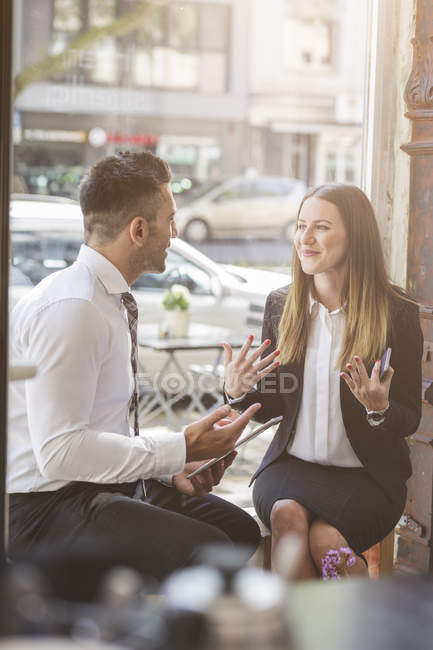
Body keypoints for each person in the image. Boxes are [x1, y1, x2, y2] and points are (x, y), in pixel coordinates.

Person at [8, 151, 261, 583]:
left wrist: (169, 469)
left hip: (91, 489)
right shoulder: (75, 308)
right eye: (171, 219)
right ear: (139, 230)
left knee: (239, 531)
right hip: (42, 508)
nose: (176, 233)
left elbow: (102, 426)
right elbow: (59, 454)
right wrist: (179, 446)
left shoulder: (106, 298)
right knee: (213, 550)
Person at [222, 183, 423, 579]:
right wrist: (238, 390)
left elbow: (410, 417)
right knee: (287, 518)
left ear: (355, 237)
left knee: (327, 541)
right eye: (301, 226)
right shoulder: (282, 305)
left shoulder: (397, 312)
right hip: (290, 467)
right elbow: (275, 403)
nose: (305, 239)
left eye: (321, 227)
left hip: (368, 476)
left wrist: (379, 409)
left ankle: (349, 627)